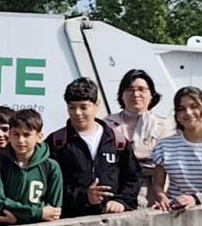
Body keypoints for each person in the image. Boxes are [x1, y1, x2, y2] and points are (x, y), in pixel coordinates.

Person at [47, 78, 141, 218]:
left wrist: (121, 201)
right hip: (70, 220)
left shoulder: (117, 140)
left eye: (84, 107)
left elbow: (133, 177)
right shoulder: (57, 142)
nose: (77, 113)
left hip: (112, 219)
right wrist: (85, 196)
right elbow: (50, 185)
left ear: (97, 105)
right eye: (71, 107)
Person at [0, 109, 64, 225]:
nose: (20, 140)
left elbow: (53, 212)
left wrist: (17, 218)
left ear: (39, 137)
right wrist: (38, 213)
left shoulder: (51, 167)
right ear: (10, 135)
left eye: (26, 135)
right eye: (16, 134)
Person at [106, 69, 176, 167]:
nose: (135, 94)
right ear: (121, 95)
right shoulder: (107, 124)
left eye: (141, 89)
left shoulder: (164, 125)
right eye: (130, 90)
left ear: (151, 95)